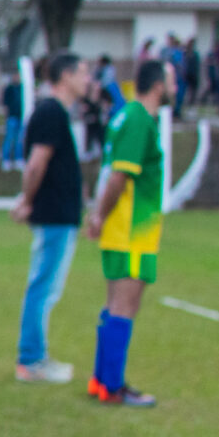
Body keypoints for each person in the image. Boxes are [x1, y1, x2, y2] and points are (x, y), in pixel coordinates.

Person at [85, 58, 169, 408]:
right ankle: (114, 386)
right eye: (173, 81)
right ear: (160, 85)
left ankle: (102, 381)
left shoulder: (126, 116)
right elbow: (119, 175)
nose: (176, 88)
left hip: (122, 229)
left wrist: (99, 216)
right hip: (131, 231)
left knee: (114, 305)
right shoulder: (138, 120)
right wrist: (101, 215)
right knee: (124, 305)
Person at [12, 52, 93, 383]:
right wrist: (27, 201)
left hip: (63, 215)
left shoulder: (57, 113)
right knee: (43, 286)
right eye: (84, 73)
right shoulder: (50, 112)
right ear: (66, 76)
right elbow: (36, 163)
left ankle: (34, 357)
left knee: (46, 286)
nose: (88, 80)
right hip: (54, 216)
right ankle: (31, 360)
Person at [0, 69, 24, 171]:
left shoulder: (22, 88)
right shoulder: (9, 88)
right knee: (9, 139)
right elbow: (5, 104)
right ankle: (6, 160)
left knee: (20, 140)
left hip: (21, 117)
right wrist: (7, 117)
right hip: (12, 117)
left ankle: (19, 159)